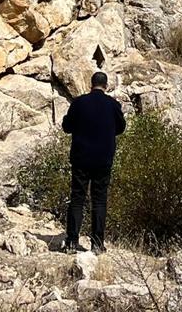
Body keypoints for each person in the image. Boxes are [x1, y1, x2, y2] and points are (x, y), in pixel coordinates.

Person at [61, 71, 126, 254]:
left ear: (91, 84)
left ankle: (72, 241)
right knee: (99, 201)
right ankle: (97, 244)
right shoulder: (113, 105)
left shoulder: (79, 103)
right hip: (103, 160)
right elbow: (121, 128)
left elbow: (67, 127)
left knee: (77, 199)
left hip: (81, 158)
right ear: (105, 86)